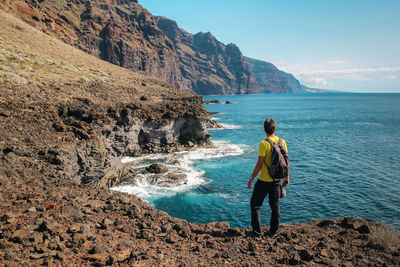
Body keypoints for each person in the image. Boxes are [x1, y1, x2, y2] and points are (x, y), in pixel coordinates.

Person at [247, 118, 289, 237]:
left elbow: (260, 164)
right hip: (277, 180)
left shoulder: (264, 144)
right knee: (275, 206)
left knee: (255, 204)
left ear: (264, 129)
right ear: (275, 128)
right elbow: (286, 162)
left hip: (264, 180)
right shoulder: (282, 142)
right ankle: (273, 231)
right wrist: (286, 177)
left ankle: (256, 232)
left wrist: (251, 178)